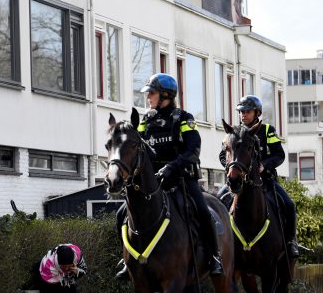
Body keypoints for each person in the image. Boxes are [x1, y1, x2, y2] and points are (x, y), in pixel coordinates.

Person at [115, 73, 224, 279]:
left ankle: (214, 256)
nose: (148, 98)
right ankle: (126, 259)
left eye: (152, 94)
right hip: (153, 182)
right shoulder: (146, 120)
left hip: (182, 179)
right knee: (122, 213)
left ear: (165, 95)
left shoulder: (183, 118)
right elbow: (139, 147)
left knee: (203, 211)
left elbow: (193, 150)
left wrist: (171, 167)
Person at [219, 95, 299, 258]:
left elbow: (279, 154)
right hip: (239, 182)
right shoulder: (233, 132)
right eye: (241, 111)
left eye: (247, 111)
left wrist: (264, 166)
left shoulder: (268, 130)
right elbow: (222, 155)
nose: (243, 115)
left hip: (265, 181)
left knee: (289, 205)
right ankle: (217, 246)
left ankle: (290, 242)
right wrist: (232, 167)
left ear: (257, 113)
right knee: (218, 201)